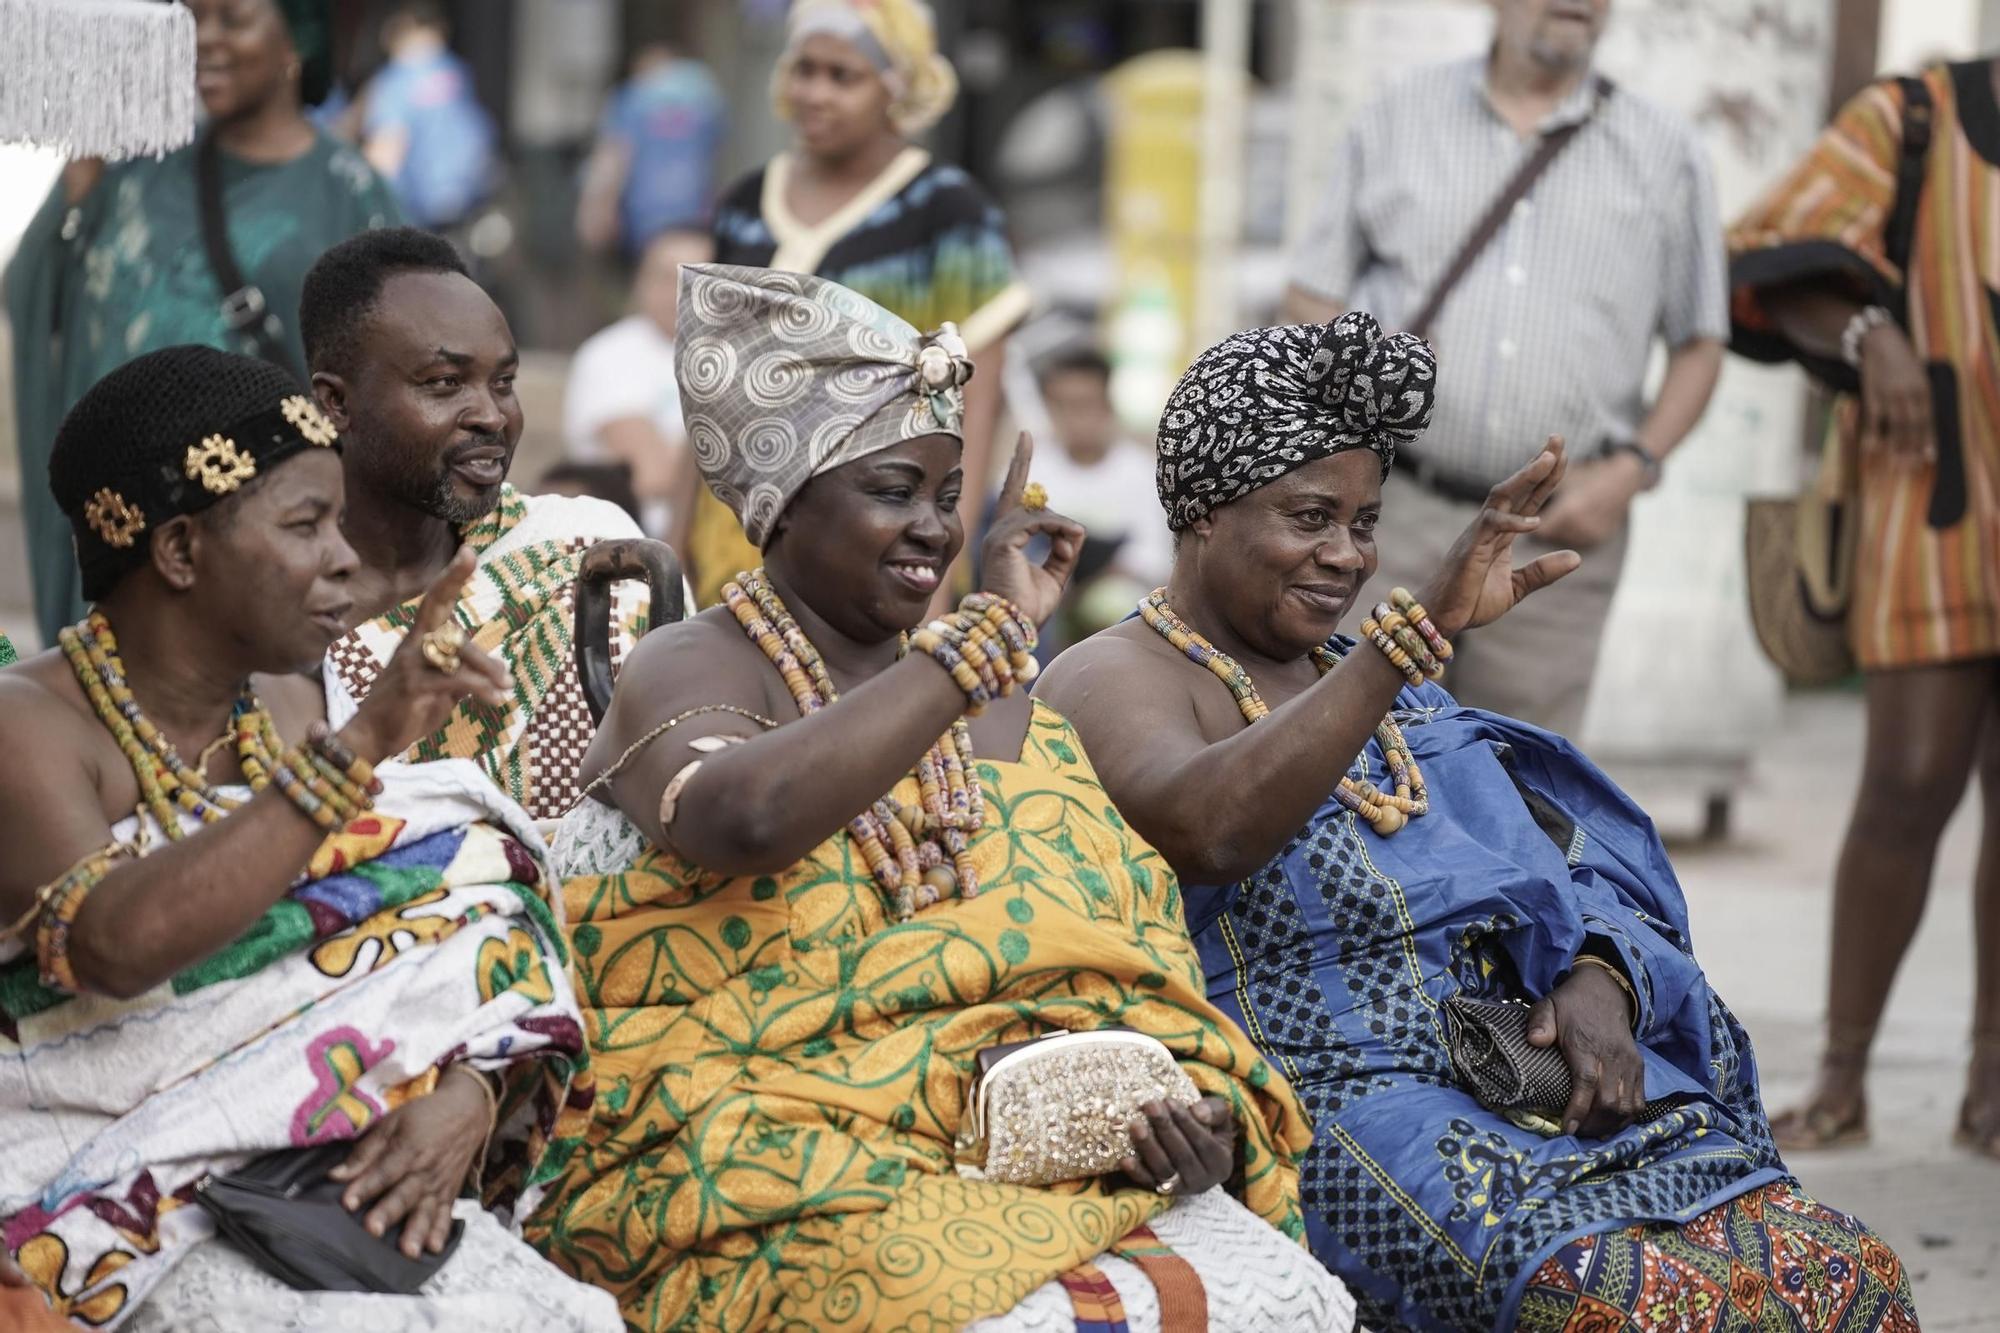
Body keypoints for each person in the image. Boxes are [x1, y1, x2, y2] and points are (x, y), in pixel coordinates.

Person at [1036, 315, 1921, 1333]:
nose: (1344, 556)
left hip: (1520, 1075)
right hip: (1320, 1104)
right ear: (1202, 512)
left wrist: (1598, 976)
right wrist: (1403, 647)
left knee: (1841, 1273)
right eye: (1308, 517)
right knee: (1611, 1302)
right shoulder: (1116, 674)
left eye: (1363, 523)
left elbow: (1564, 863)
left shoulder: (1371, 683)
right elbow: (1209, 829)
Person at [524, 265, 1353, 1332]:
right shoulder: (700, 665)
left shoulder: (1001, 706)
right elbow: (741, 820)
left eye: (940, 493)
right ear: (782, 505)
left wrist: (1185, 1109)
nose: (930, 526)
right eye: (889, 491)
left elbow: (1125, 947)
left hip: (1037, 1147)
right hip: (783, 1142)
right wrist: (963, 661)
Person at [0, 346, 618, 1331]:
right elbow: (112, 950)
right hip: (103, 1211)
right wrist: (363, 744)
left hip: (323, 1194)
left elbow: (453, 917)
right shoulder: (25, 729)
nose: (345, 558)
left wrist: (465, 1088)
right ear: (180, 551)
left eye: (339, 521)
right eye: (305, 524)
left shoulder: (284, 710)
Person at [1281, 0, 1726, 735]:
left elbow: (1701, 342)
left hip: (1555, 528)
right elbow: (1310, 297)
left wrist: (1632, 469)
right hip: (1390, 515)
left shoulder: (1667, 149)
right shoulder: (1397, 116)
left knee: (1525, 793)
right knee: (1346, 760)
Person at [1727, 57, 2000, 1159]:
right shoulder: (1916, 113)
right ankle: (1840, 1079)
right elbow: (1764, 251)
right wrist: (1865, 333)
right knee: (1904, 783)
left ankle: (1990, 1086)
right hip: (1931, 492)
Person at [5, 0, 400, 649]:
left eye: (233, 19)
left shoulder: (347, 193)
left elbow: (381, 382)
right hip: (119, 528)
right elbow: (38, 295)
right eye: (190, 18)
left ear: (293, 39)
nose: (203, 42)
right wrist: (79, 184)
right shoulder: (135, 166)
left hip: (250, 548)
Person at [676, 0, 1032, 609]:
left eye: (844, 76)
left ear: (898, 86)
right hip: (732, 542)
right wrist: (675, 530)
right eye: (804, 69)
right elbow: (707, 384)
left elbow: (980, 400)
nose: (815, 93)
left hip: (881, 549)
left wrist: (943, 565)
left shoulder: (946, 211)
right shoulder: (744, 203)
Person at [299, 227, 645, 820]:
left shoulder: (585, 552)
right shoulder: (275, 604)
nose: (492, 416)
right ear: (335, 403)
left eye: (504, 382)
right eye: (443, 384)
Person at [562, 229, 713, 542]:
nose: (678, 291)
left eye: (694, 277)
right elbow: (651, 473)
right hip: (623, 543)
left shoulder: (727, 354)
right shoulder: (611, 353)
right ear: (640, 281)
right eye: (664, 276)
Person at [1027, 347, 1176, 653]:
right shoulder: (1031, 471)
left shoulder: (1142, 473)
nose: (1074, 417)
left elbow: (1155, 555)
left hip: (1117, 601)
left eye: (1084, 404)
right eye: (1062, 405)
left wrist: (1096, 579)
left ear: (1106, 404)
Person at [575, 41, 728, 258]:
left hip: (644, 215)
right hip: (694, 214)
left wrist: (598, 207)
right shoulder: (706, 98)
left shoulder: (632, 99)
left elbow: (613, 159)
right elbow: (714, 156)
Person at [360, 1, 498, 232]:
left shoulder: (397, 80)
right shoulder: (455, 70)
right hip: (471, 205)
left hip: (419, 217)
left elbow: (386, 153)